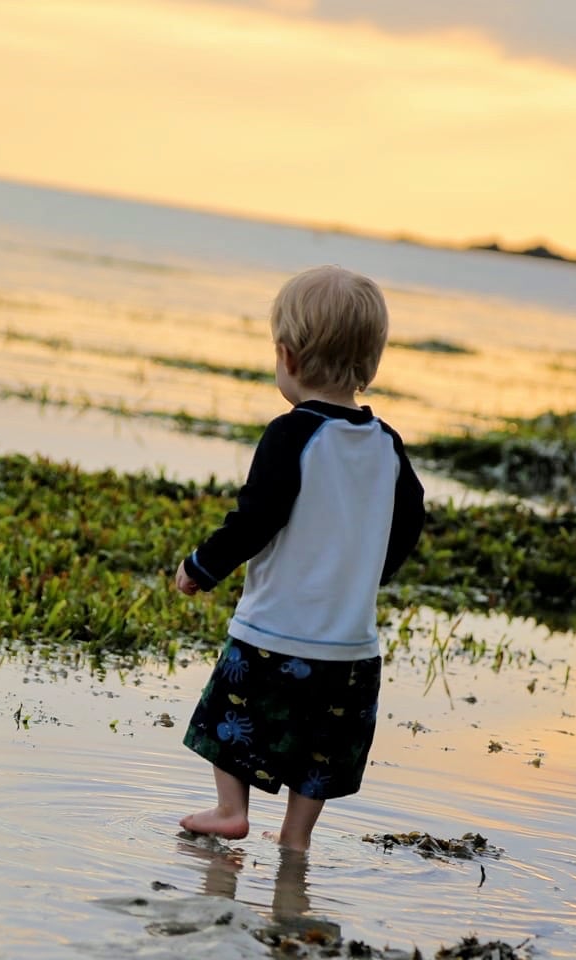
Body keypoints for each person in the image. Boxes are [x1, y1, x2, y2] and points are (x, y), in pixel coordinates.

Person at [173, 264, 425, 852]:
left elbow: (256, 518)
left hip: (273, 632)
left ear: (287, 356)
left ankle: (231, 810)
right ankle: (296, 836)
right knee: (322, 746)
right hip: (351, 648)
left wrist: (201, 566)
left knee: (227, 721)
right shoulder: (386, 444)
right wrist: (372, 574)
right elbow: (410, 519)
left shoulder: (292, 434)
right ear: (372, 362)